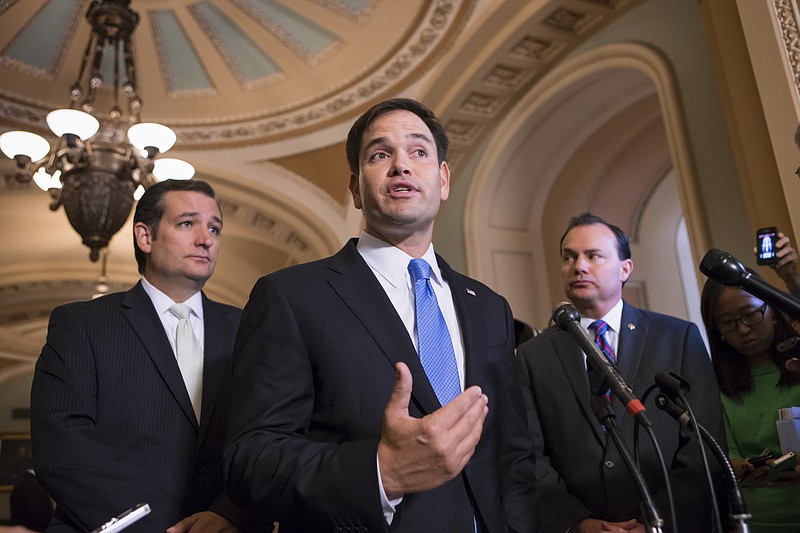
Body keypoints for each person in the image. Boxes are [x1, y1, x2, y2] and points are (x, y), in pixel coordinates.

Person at [223, 98, 537, 532]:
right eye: (380, 154)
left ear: (443, 179)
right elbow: (250, 459)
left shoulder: (489, 307)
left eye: (419, 151)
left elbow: (514, 455)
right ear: (355, 188)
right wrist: (380, 471)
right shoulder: (291, 296)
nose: (401, 166)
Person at [30, 179, 262, 532]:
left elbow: (269, 434)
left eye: (214, 228)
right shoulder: (81, 323)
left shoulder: (250, 328)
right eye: (187, 223)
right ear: (145, 237)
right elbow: (63, 445)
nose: (206, 238)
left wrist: (230, 511)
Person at [517, 213, 725, 533]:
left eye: (593, 255)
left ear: (625, 268)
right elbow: (529, 454)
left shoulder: (678, 338)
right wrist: (576, 523)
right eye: (569, 257)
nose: (579, 266)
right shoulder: (533, 355)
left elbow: (703, 447)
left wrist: (659, 523)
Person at [701, 268, 800, 531]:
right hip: (756, 521)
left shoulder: (797, 366)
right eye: (728, 321)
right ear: (717, 330)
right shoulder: (716, 384)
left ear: (773, 311)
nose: (743, 329)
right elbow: (725, 454)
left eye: (750, 314)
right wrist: (744, 468)